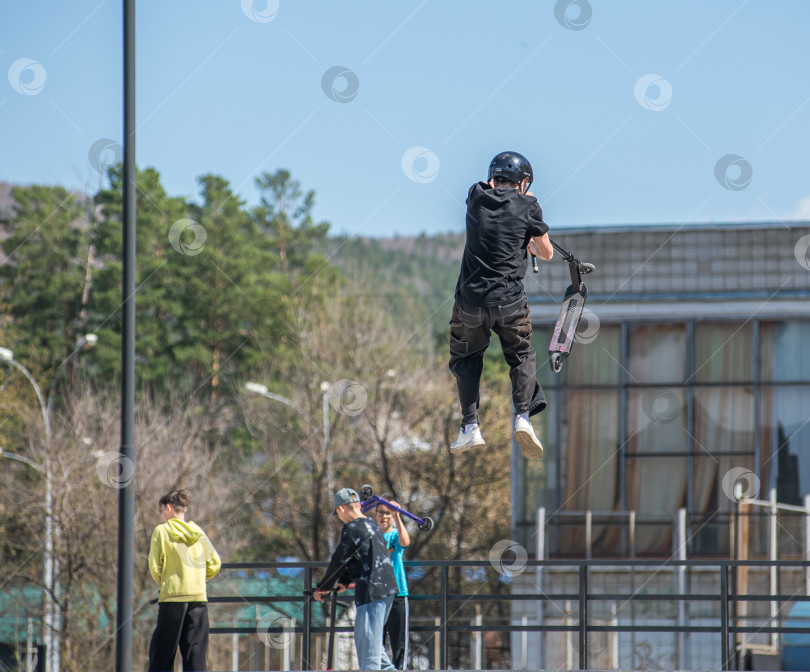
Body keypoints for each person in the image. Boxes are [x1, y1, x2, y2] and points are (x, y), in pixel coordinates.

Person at [449, 150, 553, 458]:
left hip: (470, 301)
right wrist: (529, 232)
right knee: (521, 356)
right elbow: (545, 252)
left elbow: (487, 186)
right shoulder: (529, 205)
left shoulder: (475, 196)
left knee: (466, 360)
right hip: (509, 301)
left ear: (493, 179)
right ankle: (523, 418)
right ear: (523, 183)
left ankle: (470, 427)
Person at [313, 487, 398, 670]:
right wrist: (343, 581)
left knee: (369, 656)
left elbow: (339, 559)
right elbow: (358, 556)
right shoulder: (372, 524)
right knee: (376, 651)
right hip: (387, 589)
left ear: (341, 508)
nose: (340, 518)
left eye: (337, 514)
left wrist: (322, 588)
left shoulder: (351, 528)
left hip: (371, 592)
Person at [148, 489, 221, 672]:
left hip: (172, 599)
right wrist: (197, 578)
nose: (162, 515)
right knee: (195, 656)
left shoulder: (162, 531)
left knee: (162, 654)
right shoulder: (198, 532)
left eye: (162, 510)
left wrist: (167, 581)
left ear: (169, 507)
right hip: (198, 599)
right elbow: (215, 563)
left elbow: (154, 566)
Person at [374, 499, 410, 669]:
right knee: (376, 641)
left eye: (388, 513)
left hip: (397, 594)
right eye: (381, 512)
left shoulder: (395, 533)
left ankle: (399, 668)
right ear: (375, 514)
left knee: (399, 642)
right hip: (377, 594)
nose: (384, 516)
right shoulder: (371, 535)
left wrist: (398, 516)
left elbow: (405, 542)